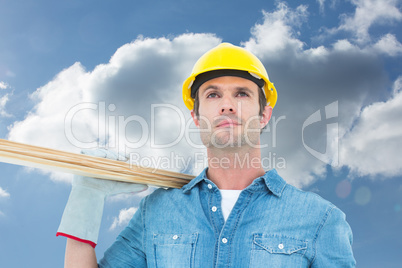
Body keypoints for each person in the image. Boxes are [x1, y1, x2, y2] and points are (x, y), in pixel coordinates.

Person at [57, 43, 356, 267]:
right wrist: (87, 198)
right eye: (213, 94)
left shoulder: (320, 219)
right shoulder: (158, 211)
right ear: (196, 116)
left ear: (265, 114)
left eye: (241, 93)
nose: (227, 105)